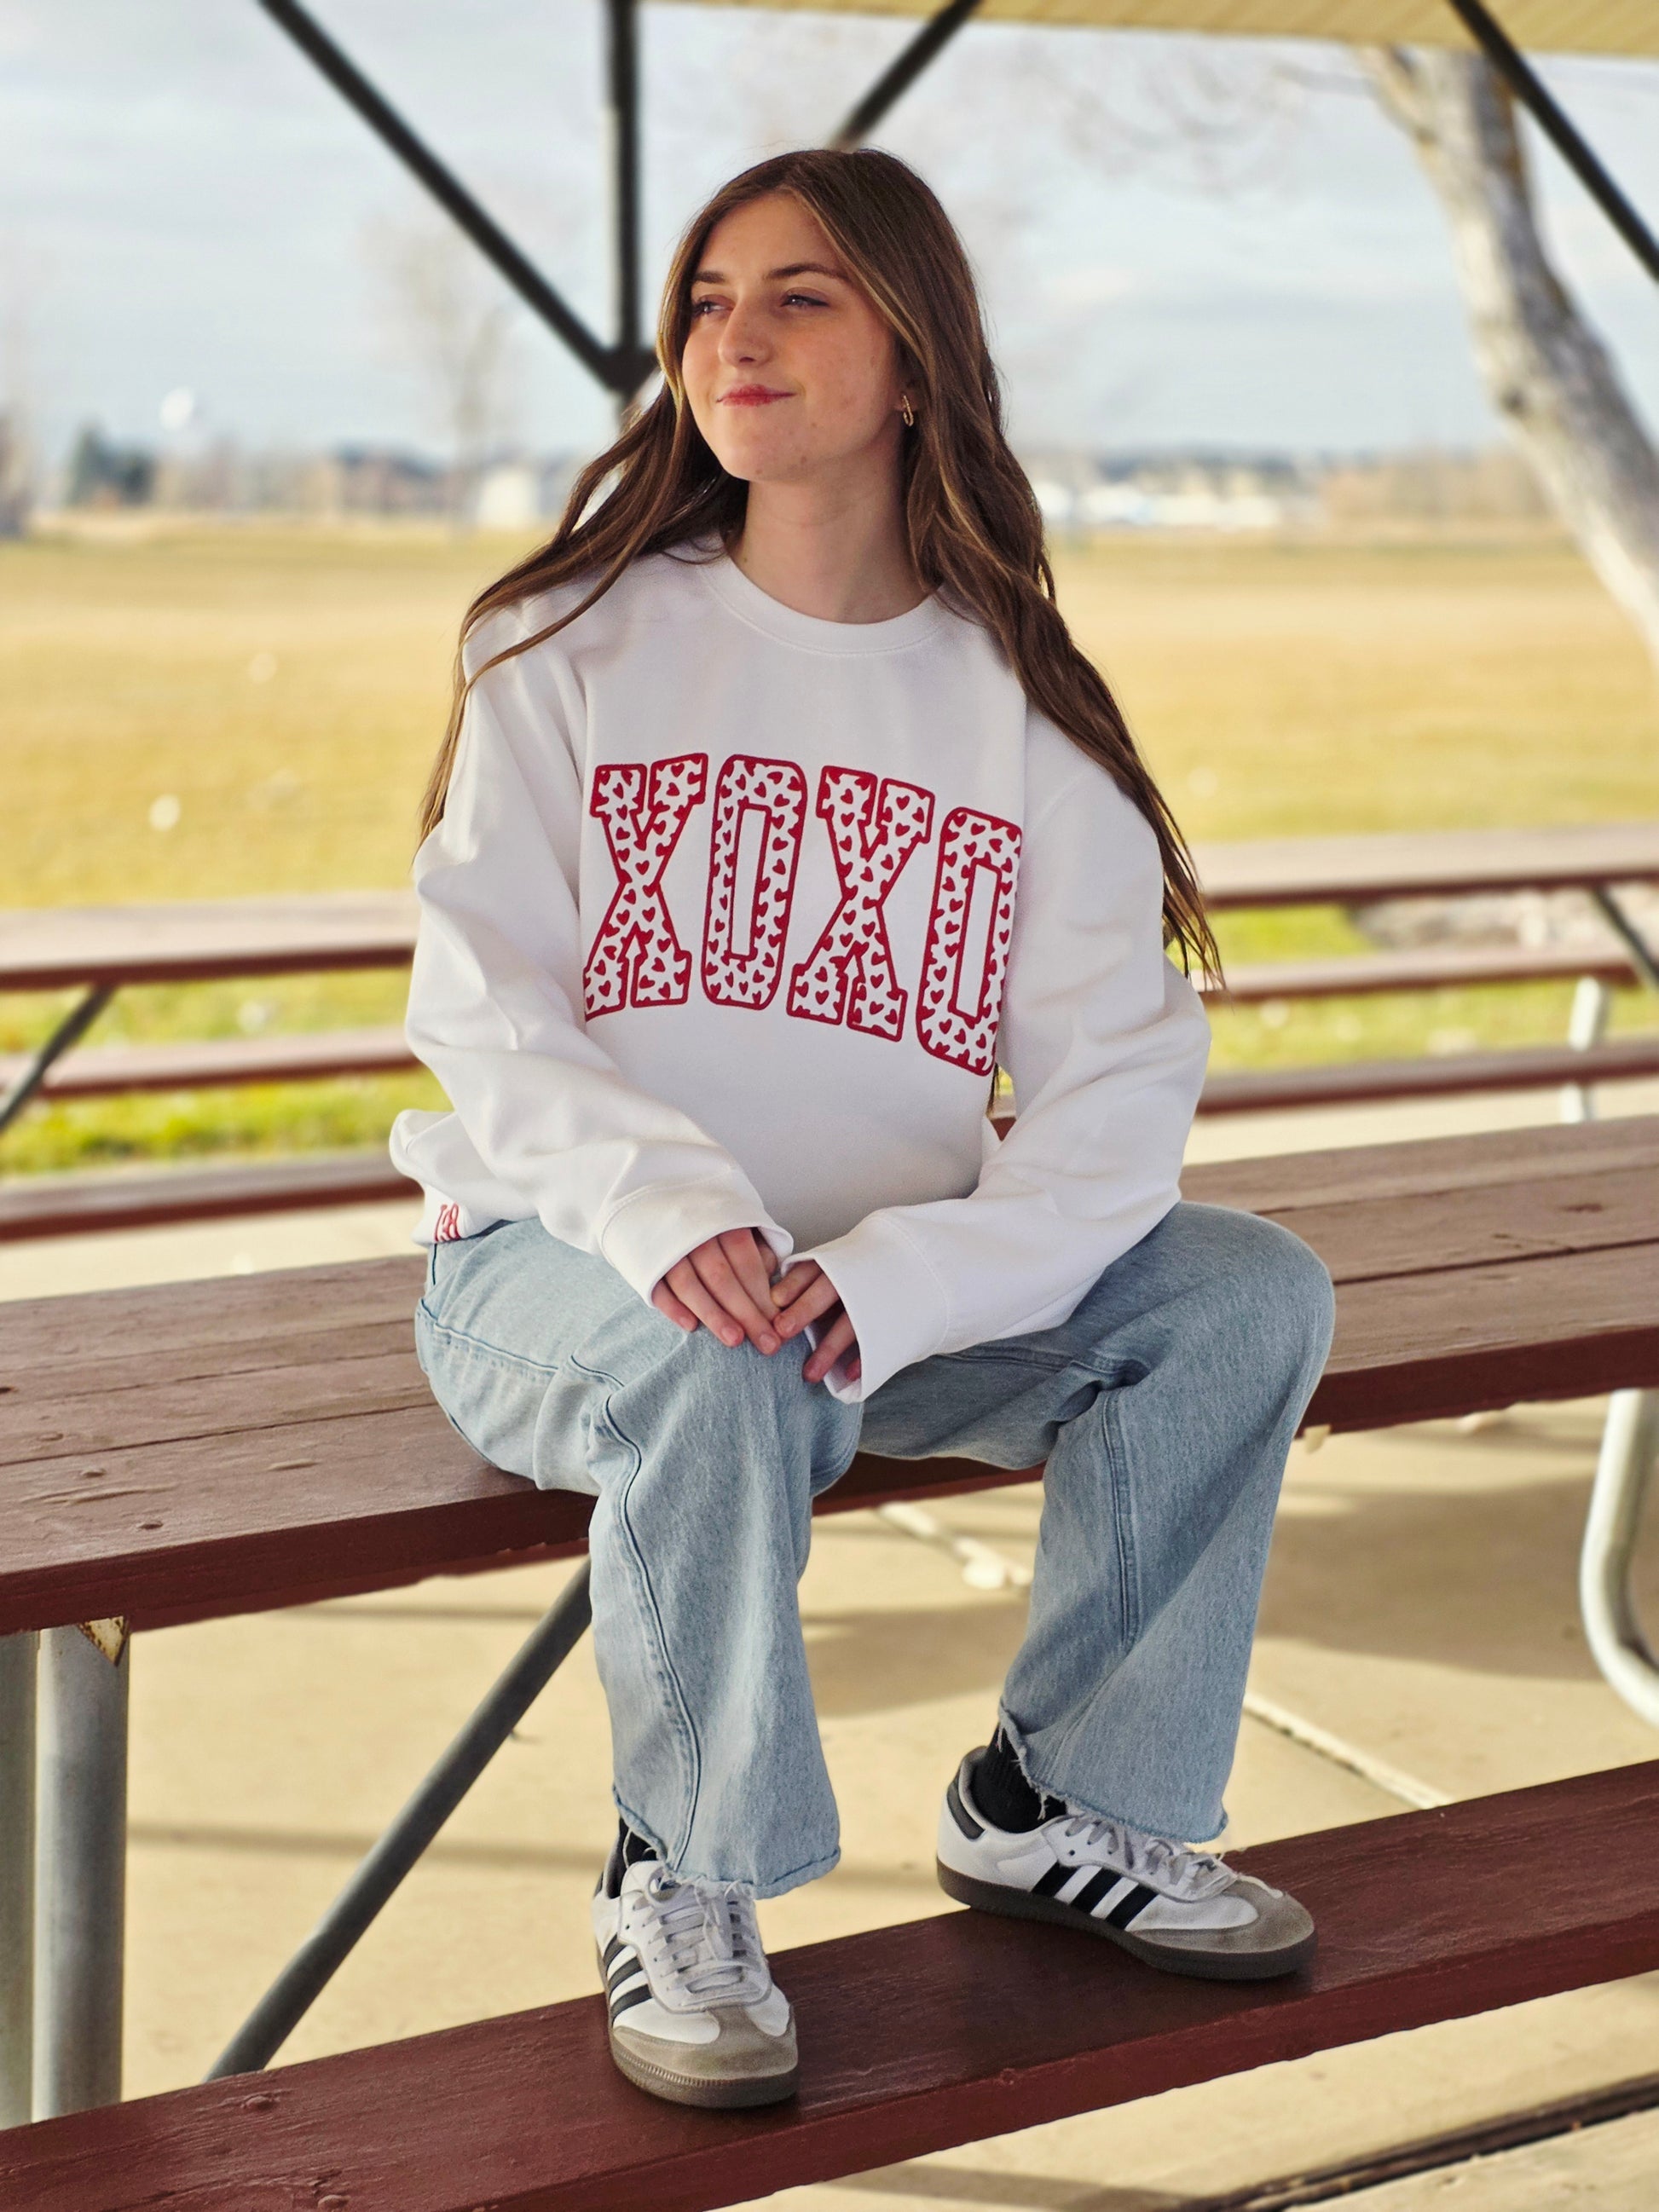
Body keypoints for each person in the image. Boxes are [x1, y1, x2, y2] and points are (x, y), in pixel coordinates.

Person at [391, 146, 1336, 2112]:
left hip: (871, 1292)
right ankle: (686, 1869)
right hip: (563, 1263)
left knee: (1243, 1291)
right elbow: (485, 1005)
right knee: (709, 1349)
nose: (734, 336)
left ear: (913, 358)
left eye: (800, 294)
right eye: (707, 300)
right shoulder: (566, 640)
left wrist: (908, 1277)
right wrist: (674, 1212)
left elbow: (1115, 1089)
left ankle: (1059, 1799)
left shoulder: (1017, 701)